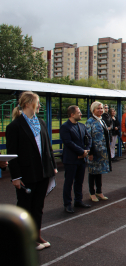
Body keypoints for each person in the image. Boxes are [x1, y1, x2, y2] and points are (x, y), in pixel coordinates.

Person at [6, 91, 58, 251]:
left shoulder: (41, 123)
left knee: (38, 207)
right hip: (26, 174)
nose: (40, 105)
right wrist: (16, 177)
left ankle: (36, 235)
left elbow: (48, 147)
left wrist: (53, 166)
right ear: (28, 103)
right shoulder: (14, 126)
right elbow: (12, 153)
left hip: (42, 172)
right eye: (37, 102)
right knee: (25, 207)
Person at [60, 106, 92, 213]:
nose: (81, 114)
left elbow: (89, 139)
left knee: (79, 181)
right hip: (71, 160)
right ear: (72, 114)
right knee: (69, 182)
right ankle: (67, 204)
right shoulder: (65, 127)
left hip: (81, 159)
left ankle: (78, 200)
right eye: (79, 112)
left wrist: (86, 150)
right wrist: (81, 152)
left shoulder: (82, 126)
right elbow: (68, 142)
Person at [86, 101, 111, 201]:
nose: (101, 110)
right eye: (98, 108)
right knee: (92, 172)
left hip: (103, 151)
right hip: (94, 152)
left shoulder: (102, 120)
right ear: (93, 110)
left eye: (101, 108)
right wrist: (90, 152)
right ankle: (92, 193)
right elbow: (88, 138)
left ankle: (99, 192)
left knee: (99, 172)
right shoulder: (90, 122)